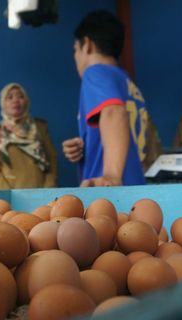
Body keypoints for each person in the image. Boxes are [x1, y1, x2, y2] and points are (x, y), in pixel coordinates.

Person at [62, 10, 149, 187]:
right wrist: (85, 146)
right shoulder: (126, 82)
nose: (75, 57)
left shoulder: (95, 73)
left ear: (87, 45)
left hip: (112, 196)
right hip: (136, 187)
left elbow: (114, 112)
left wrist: (111, 175)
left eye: (75, 50)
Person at [0, 83, 58, 190]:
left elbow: (52, 160)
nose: (15, 101)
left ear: (26, 101)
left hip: (42, 193)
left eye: (20, 96)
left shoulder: (39, 127)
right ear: (3, 102)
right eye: (10, 97)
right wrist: (9, 197)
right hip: (11, 197)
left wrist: (48, 188)